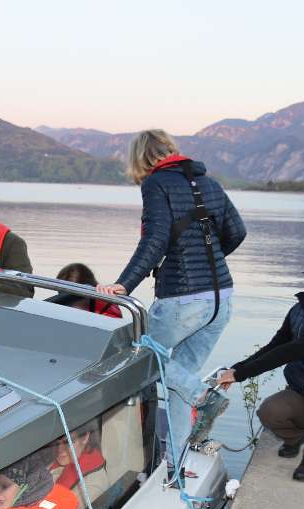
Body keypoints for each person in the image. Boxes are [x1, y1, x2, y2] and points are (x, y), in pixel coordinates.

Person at [97, 130, 246, 474]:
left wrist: (124, 284)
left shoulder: (156, 184)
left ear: (140, 158)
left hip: (184, 298)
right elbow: (237, 232)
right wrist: (206, 256)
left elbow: (157, 239)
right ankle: (176, 465)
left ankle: (203, 396)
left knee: (143, 353)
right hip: (221, 298)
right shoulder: (210, 182)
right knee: (177, 377)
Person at [217, 257, 304, 482]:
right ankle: (297, 437)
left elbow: (294, 350)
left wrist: (242, 374)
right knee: (268, 412)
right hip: (300, 397)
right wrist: (237, 369)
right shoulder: (298, 311)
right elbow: (276, 346)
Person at [46, 421, 110, 509]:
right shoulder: (64, 462)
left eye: (67, 442)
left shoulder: (92, 486)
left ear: (85, 437)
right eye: (56, 443)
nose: (60, 449)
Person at [55, 263, 122, 317]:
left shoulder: (107, 309)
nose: (70, 304)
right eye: (65, 299)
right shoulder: (59, 306)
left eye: (75, 298)